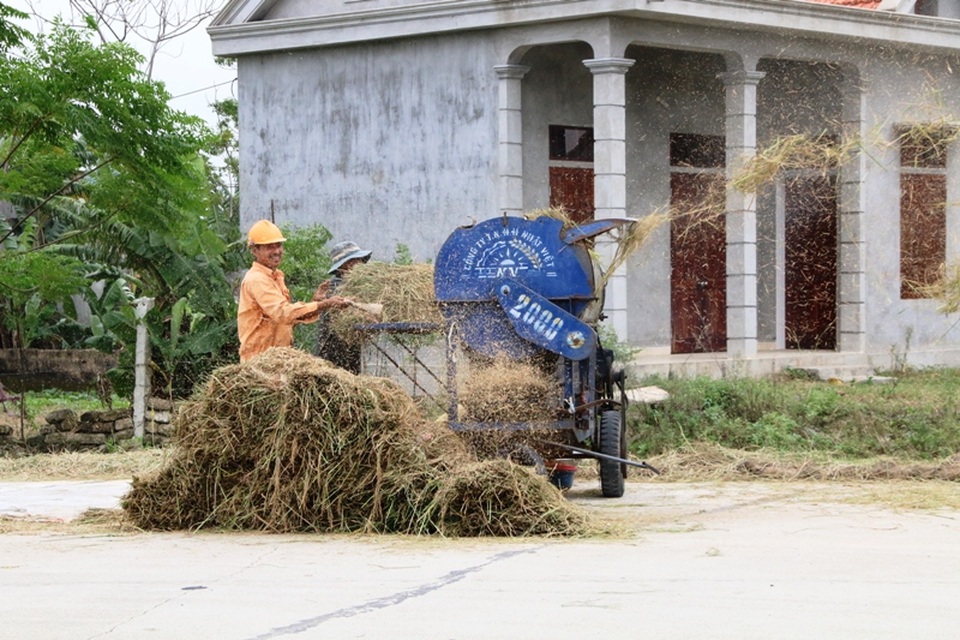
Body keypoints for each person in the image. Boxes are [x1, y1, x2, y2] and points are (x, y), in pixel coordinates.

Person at [237, 219, 351, 363]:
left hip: (278, 359)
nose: (277, 251)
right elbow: (283, 313)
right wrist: (326, 304)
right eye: (269, 247)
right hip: (259, 361)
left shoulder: (276, 276)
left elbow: (288, 319)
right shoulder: (257, 279)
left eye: (278, 245)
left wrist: (316, 303)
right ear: (255, 250)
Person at [315, 240, 372, 373]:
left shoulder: (357, 286)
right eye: (356, 260)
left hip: (351, 346)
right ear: (347, 265)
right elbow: (347, 314)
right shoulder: (334, 286)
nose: (359, 264)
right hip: (332, 347)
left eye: (360, 260)